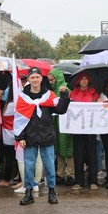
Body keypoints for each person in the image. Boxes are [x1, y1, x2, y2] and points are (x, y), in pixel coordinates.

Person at [15, 67, 70, 205]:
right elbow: (19, 119)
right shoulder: (23, 98)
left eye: (37, 77)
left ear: (41, 79)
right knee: (29, 166)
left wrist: (64, 97)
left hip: (46, 136)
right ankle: (29, 193)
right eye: (32, 77)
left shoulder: (49, 95)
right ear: (28, 79)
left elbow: (60, 110)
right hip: (29, 137)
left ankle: (51, 192)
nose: (34, 80)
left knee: (50, 166)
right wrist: (20, 137)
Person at [70, 73, 101, 190]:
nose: (84, 81)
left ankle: (93, 181)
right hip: (77, 130)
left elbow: (99, 104)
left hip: (91, 130)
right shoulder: (73, 94)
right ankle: (79, 181)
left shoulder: (94, 93)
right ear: (78, 81)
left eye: (85, 79)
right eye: (81, 79)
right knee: (78, 155)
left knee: (92, 155)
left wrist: (100, 103)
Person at [48, 68, 75, 186]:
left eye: (52, 79)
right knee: (58, 148)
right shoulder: (52, 90)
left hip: (66, 123)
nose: (50, 82)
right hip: (55, 124)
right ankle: (60, 173)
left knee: (68, 148)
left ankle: (70, 174)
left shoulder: (66, 89)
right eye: (49, 80)